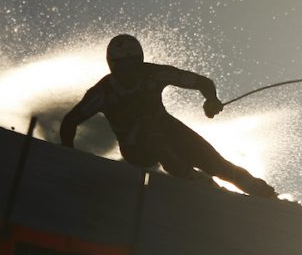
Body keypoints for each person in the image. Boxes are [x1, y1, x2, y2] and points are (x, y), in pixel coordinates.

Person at [60, 34, 277, 198]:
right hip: (136, 147)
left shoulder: (153, 73)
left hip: (164, 127)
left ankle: (260, 190)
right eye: (122, 67)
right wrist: (68, 156)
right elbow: (69, 122)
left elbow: (202, 82)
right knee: (153, 133)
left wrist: (210, 99)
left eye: (133, 65)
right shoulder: (103, 93)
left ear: (140, 61)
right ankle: (195, 179)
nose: (129, 72)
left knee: (212, 159)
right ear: (113, 66)